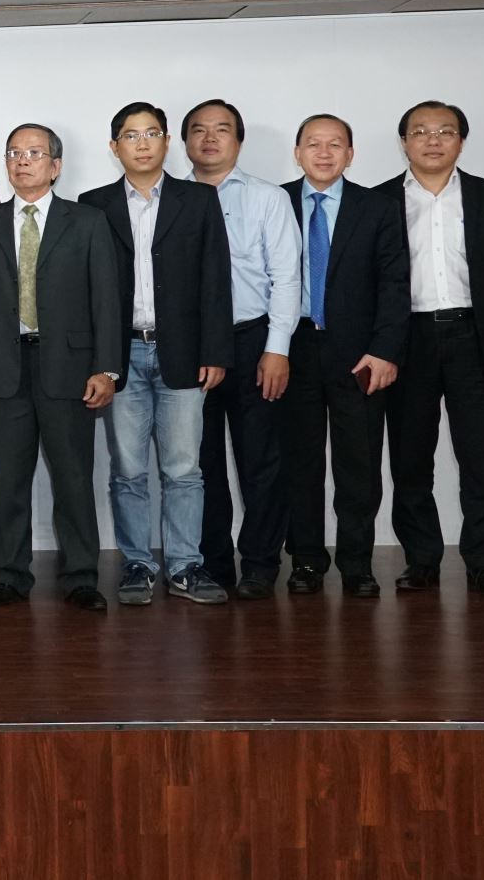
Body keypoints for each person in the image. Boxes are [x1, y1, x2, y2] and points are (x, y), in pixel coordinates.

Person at [0, 124, 122, 612]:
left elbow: (106, 300)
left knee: (73, 478)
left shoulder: (87, 221)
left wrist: (107, 369)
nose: (22, 160)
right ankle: (8, 574)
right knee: (7, 479)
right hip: (2, 368)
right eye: (14, 153)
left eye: (34, 153)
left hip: (69, 369)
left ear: (56, 165)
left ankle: (81, 576)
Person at [79, 105, 234, 607]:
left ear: (166, 142)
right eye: (130, 135)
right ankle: (137, 564)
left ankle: (186, 566)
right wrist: (97, 359)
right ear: (114, 147)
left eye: (150, 134)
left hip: (184, 352)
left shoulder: (198, 199)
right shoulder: (93, 204)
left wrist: (215, 349)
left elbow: (216, 278)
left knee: (184, 468)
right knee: (127, 469)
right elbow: (86, 291)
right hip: (119, 353)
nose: (141, 143)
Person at [387, 101, 484, 597]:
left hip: (472, 338)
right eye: (421, 131)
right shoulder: (379, 201)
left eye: (445, 131)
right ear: (404, 141)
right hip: (406, 343)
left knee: (480, 458)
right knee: (410, 461)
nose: (433, 140)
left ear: (461, 142)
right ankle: (422, 561)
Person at [281, 114, 408, 598]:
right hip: (292, 351)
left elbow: (395, 284)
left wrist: (384, 350)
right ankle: (307, 561)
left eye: (336, 145)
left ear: (350, 154)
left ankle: (357, 563)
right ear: (297, 152)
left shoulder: (376, 207)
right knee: (301, 462)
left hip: (359, 356)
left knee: (358, 464)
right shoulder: (276, 202)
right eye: (313, 144)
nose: (324, 153)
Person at [183, 99, 301, 599]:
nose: (210, 138)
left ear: (239, 140)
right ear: (183, 141)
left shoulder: (267, 198)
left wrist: (277, 349)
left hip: (252, 340)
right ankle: (212, 563)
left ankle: (259, 562)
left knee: (261, 461)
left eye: (222, 129)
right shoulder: (170, 199)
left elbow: (287, 277)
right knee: (199, 464)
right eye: (199, 130)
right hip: (188, 347)